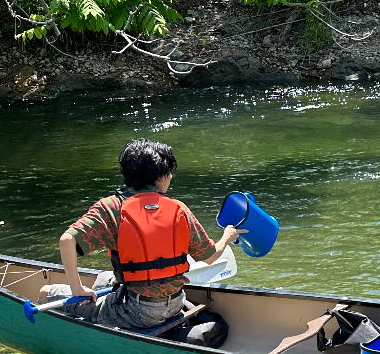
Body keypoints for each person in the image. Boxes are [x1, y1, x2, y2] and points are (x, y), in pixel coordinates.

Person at [39, 139, 243, 330]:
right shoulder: (178, 208)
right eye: (168, 172)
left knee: (46, 292)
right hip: (176, 303)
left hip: (137, 312)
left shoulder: (112, 208)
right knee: (104, 277)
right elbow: (210, 256)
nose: (171, 177)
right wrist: (226, 238)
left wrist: (76, 289)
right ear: (158, 177)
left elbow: (67, 240)